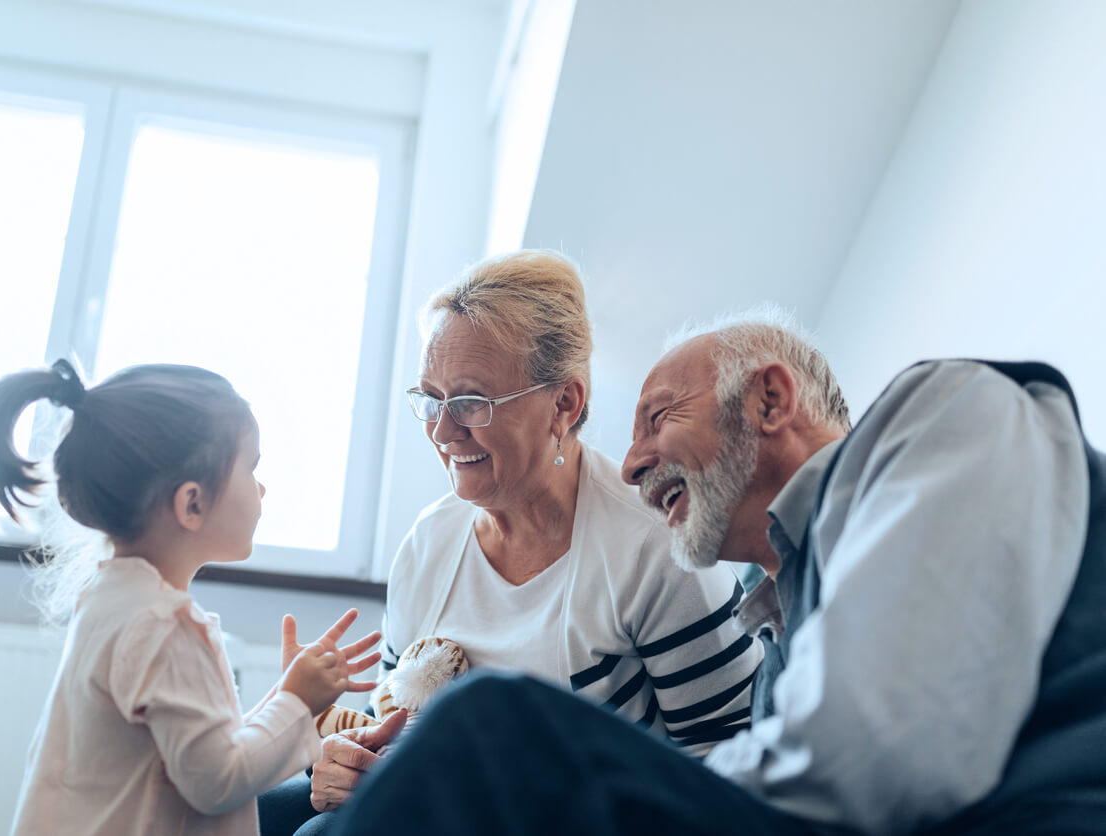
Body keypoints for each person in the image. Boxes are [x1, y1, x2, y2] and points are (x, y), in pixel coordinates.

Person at [329, 308, 1106, 835]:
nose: (630, 465)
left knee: (492, 727)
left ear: (770, 398)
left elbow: (870, 755)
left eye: (659, 417)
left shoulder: (944, 411)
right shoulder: (778, 640)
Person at [260, 252, 763, 835]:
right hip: (441, 803)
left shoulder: (653, 544)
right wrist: (345, 763)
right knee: (260, 811)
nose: (444, 432)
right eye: (431, 399)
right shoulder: (429, 543)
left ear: (563, 405)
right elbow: (388, 722)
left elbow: (725, 761)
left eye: (471, 401)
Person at [0, 360, 383, 835]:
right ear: (192, 503)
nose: (262, 486)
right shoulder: (162, 625)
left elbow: (198, 753)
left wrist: (290, 695)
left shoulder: (114, 601)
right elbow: (218, 781)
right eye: (251, 468)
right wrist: (297, 700)